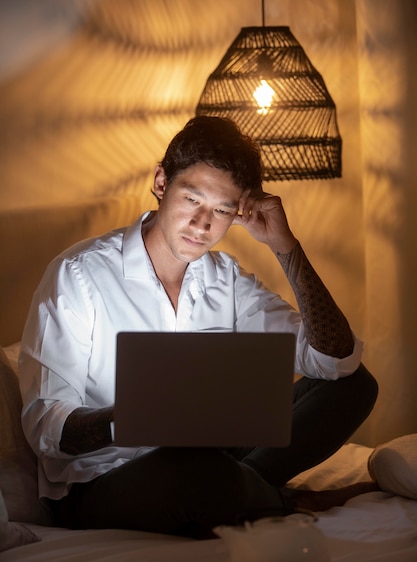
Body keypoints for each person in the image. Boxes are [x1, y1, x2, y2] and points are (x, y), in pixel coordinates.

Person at [19, 116, 378, 538]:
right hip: (99, 483)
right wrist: (137, 416)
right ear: (160, 182)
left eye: (222, 210)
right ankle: (277, 499)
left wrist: (286, 246)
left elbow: (334, 360)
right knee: (194, 471)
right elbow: (45, 426)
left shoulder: (224, 277)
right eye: (192, 199)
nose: (203, 224)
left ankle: (240, 487)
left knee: (355, 386)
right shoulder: (77, 275)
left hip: (213, 458)